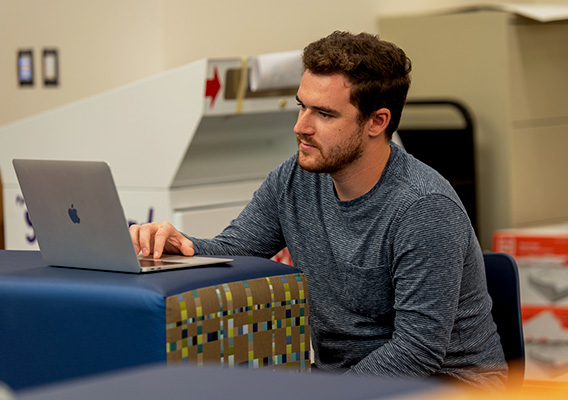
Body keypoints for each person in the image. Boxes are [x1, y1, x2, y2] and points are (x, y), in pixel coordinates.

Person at [130, 31, 507, 389]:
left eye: (324, 114)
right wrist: (178, 243)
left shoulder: (423, 208)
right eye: (301, 106)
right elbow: (236, 249)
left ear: (377, 122)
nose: (300, 126)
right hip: (340, 381)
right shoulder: (295, 178)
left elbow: (417, 351)